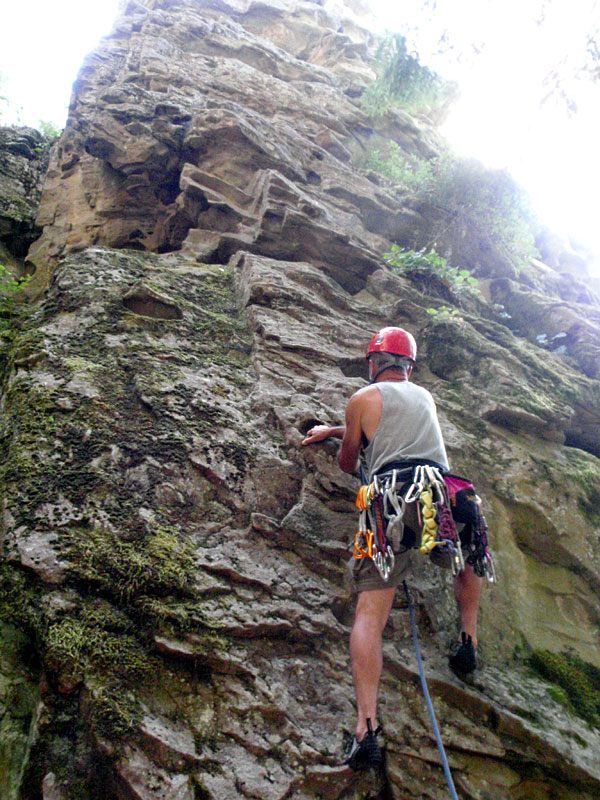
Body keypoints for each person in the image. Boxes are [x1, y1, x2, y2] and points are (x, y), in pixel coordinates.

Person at [301, 326, 483, 771]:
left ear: (372, 362)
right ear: (409, 366)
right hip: (442, 494)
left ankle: (367, 730)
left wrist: (338, 436)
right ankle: (468, 639)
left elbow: (349, 458)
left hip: (392, 501)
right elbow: (395, 423)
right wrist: (339, 427)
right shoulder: (425, 398)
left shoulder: (363, 397)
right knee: (469, 553)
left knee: (370, 614)